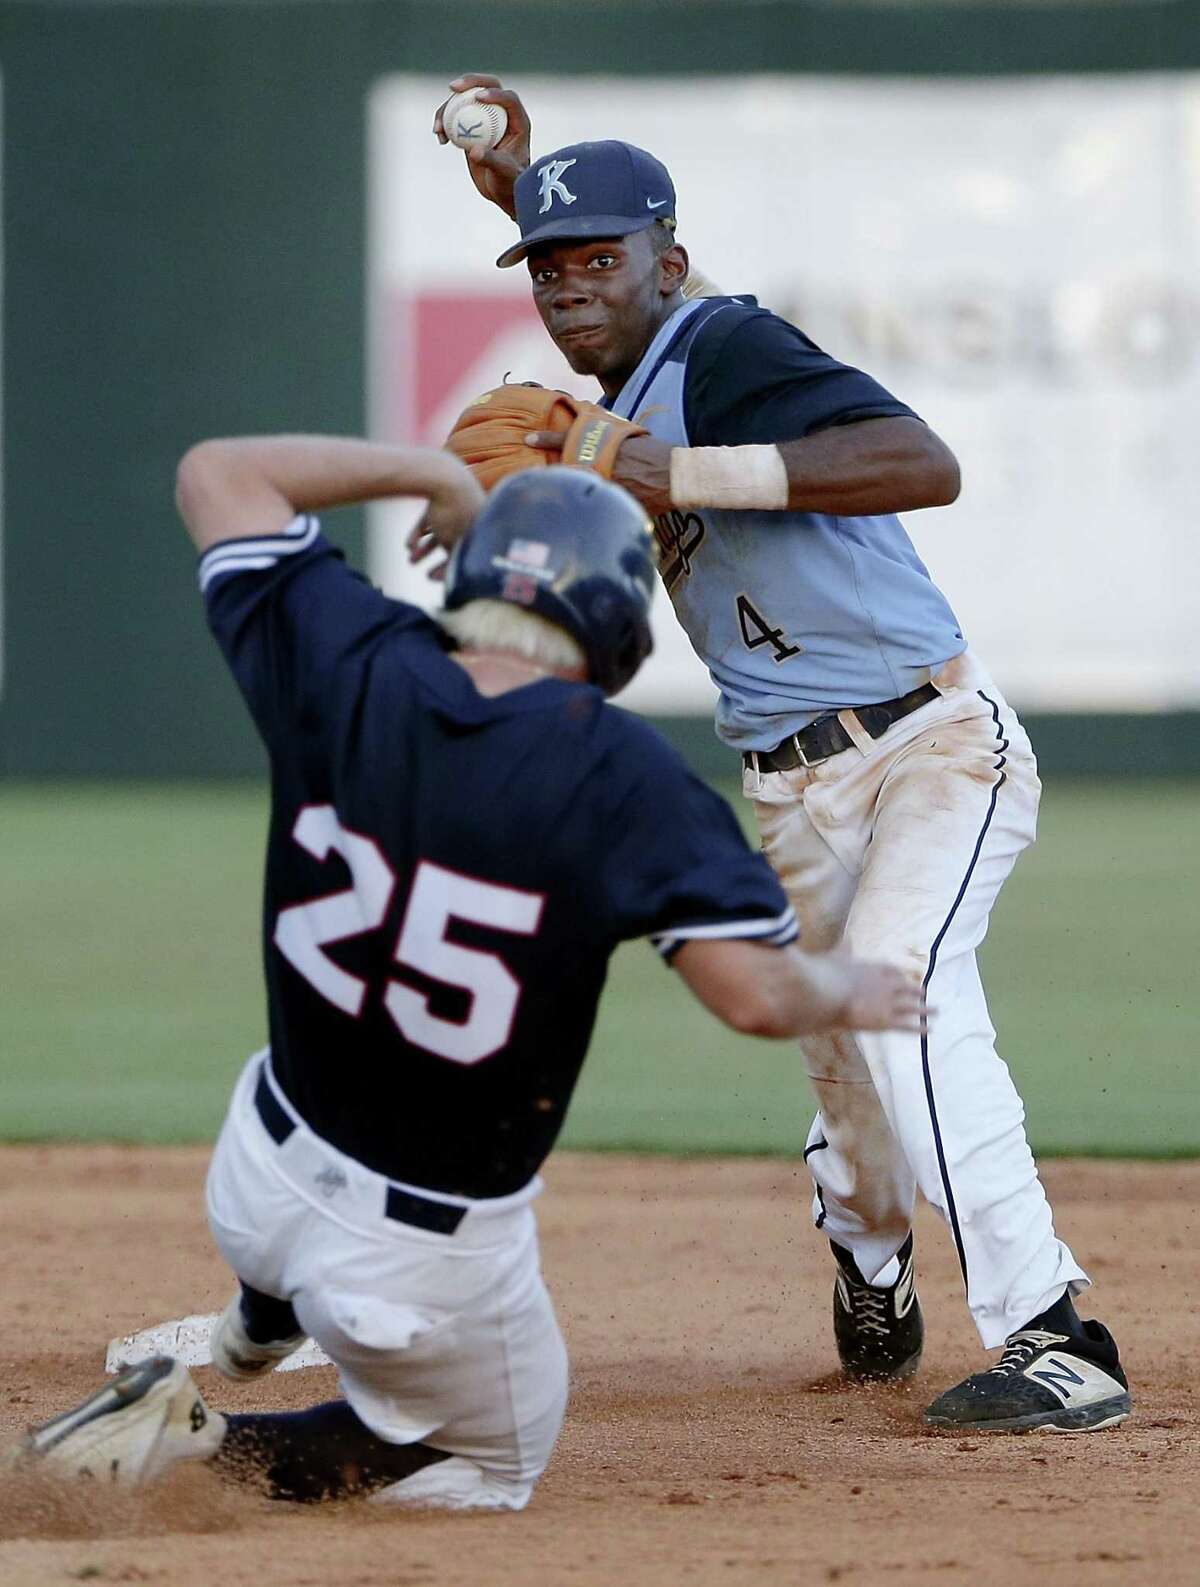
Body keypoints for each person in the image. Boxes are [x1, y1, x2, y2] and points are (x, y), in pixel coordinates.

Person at [8, 441, 928, 1509]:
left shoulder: (348, 651)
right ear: (619, 625)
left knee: (320, 1109)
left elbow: (216, 473)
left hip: (258, 1164)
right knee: (492, 1464)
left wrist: (433, 476)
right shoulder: (624, 776)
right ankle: (190, 1445)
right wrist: (849, 991)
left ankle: (263, 1309)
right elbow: (758, 995)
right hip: (410, 1257)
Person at [424, 74, 1133, 1433]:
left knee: (906, 989)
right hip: (787, 790)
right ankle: (873, 1265)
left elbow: (922, 461)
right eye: (548, 269)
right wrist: (521, 183)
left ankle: (1059, 1333)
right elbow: (603, 307)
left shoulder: (724, 339)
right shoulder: (611, 396)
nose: (571, 289)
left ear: (670, 261)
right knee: (844, 1064)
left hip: (928, 744)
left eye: (602, 261)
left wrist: (679, 476)